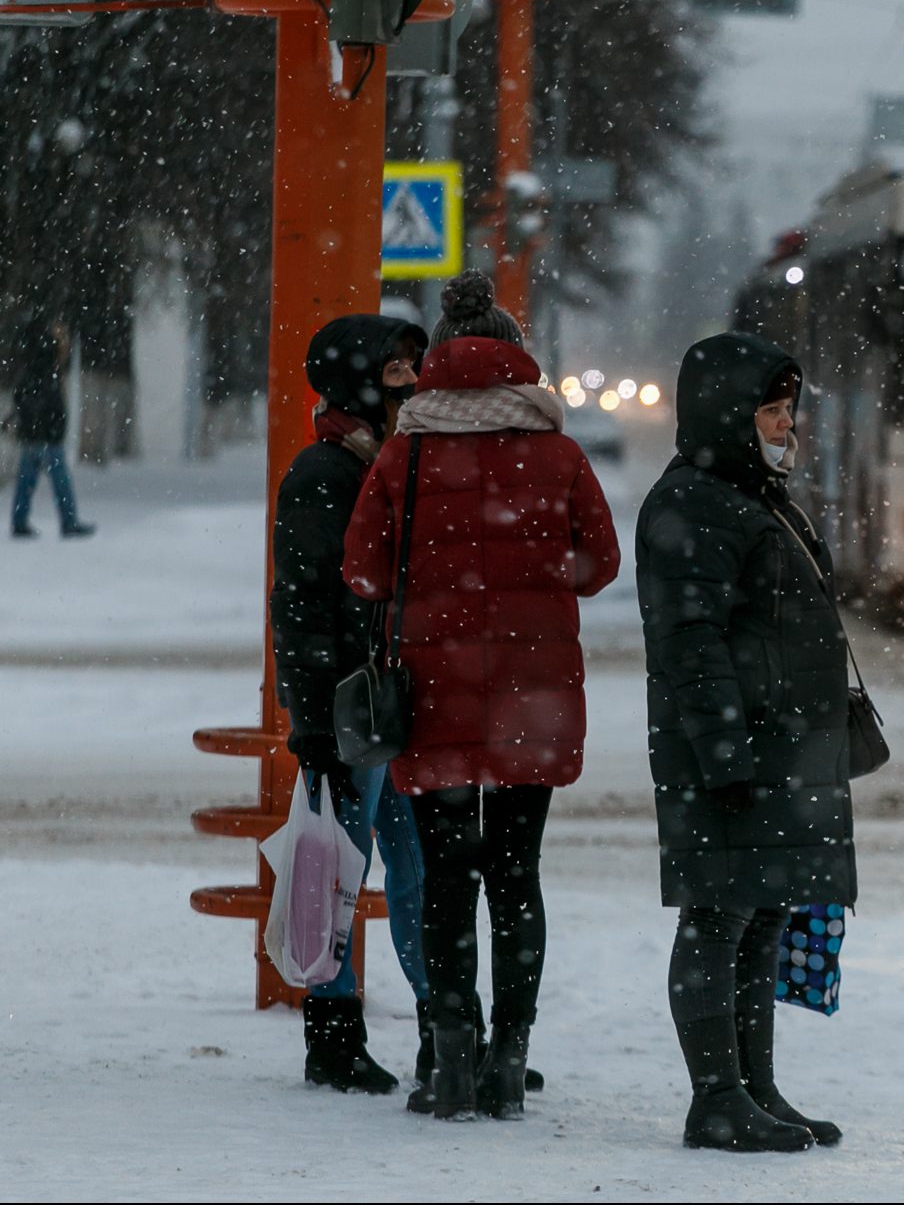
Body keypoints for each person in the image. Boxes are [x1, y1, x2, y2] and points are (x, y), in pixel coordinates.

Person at [344, 271, 620, 1121]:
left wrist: (428, 580)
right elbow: (599, 565)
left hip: (436, 695)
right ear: (514, 357)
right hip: (534, 699)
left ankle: (451, 1058)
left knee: (446, 877)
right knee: (517, 877)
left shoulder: (408, 448)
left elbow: (361, 569)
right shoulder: (559, 449)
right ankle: (511, 1058)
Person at [635, 332, 857, 1153]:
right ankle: (715, 1098)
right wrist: (725, 750)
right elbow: (688, 642)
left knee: (761, 912)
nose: (785, 424)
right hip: (728, 748)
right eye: (769, 409)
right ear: (728, 412)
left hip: (777, 743)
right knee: (716, 918)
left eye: (789, 408)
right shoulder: (693, 502)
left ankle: (755, 1087)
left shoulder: (750, 492)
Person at [272, 314, 434, 1094]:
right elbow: (302, 608)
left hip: (397, 701)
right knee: (339, 872)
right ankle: (332, 1039)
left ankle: (446, 1027)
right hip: (349, 709)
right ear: (355, 379)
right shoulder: (324, 471)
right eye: (394, 368)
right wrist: (312, 725)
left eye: (413, 366)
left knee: (417, 870)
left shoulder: (399, 463)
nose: (408, 381)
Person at [9, 312, 94, 539]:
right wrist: (55, 428)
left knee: (26, 481)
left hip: (32, 435)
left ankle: (19, 522)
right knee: (61, 482)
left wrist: (28, 424)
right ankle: (68, 521)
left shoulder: (29, 369)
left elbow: (20, 398)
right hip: (48, 436)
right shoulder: (48, 371)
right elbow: (52, 405)